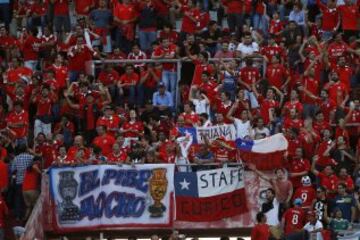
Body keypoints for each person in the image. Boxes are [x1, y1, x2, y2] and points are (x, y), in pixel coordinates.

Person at [10, 144, 34, 222]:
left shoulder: (16, 158)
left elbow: (13, 170)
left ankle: (18, 216)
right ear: (26, 149)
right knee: (28, 200)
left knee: (18, 198)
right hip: (28, 182)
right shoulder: (30, 157)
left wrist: (13, 178)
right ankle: (27, 216)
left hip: (19, 181)